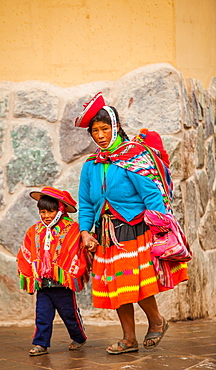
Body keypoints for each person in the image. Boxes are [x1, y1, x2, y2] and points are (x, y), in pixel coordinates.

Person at [74, 92, 189, 355]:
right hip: (105, 234)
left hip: (134, 230)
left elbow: (152, 195)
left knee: (132, 284)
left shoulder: (132, 158)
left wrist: (161, 230)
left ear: (115, 128)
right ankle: (129, 339)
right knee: (117, 288)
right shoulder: (91, 166)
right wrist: (84, 231)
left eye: (105, 129)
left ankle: (156, 320)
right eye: (95, 131)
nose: (100, 135)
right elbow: (86, 202)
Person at [17, 186, 90, 356]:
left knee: (70, 315)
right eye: (42, 212)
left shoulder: (72, 229)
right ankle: (40, 344)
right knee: (42, 316)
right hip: (43, 284)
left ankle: (79, 337)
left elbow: (76, 251)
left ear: (60, 210)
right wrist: (29, 276)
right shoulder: (34, 231)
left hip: (63, 285)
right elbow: (26, 253)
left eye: (50, 211)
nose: (46, 216)